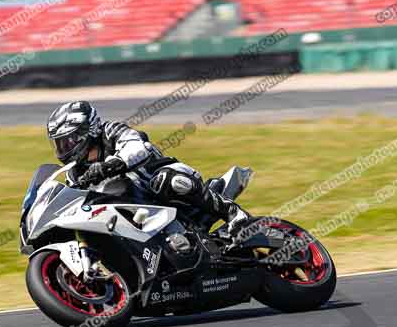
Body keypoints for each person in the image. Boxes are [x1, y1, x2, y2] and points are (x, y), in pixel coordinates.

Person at [46, 100, 251, 234]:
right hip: (133, 212)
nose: (64, 148)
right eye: (60, 144)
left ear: (86, 131)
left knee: (164, 181)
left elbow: (136, 148)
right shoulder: (74, 172)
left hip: (161, 184)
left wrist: (108, 166)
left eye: (68, 141)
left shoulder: (111, 132)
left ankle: (232, 212)